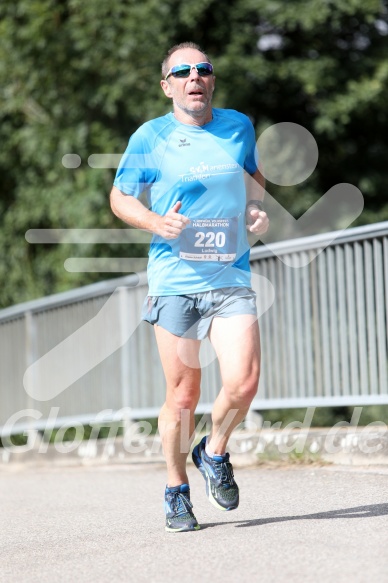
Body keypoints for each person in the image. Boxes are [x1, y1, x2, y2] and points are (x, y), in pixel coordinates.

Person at [110, 42, 269, 533]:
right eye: (183, 71)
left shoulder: (238, 126)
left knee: (243, 382)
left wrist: (255, 207)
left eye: (203, 70)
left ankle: (213, 450)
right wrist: (156, 221)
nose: (194, 77)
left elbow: (254, 176)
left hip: (230, 274)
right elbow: (119, 196)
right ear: (168, 85)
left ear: (212, 81)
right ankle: (176, 490)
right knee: (183, 396)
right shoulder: (150, 136)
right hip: (176, 281)